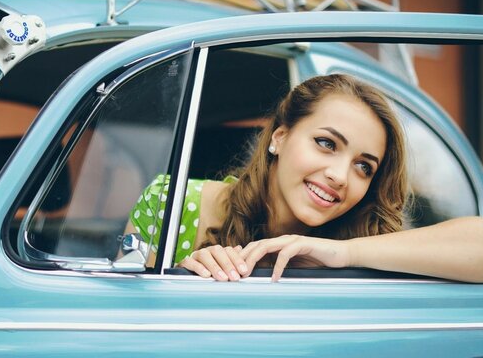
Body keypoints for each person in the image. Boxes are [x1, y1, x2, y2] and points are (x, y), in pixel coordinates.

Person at [127, 73, 483, 283]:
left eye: (364, 167)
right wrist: (184, 278)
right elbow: (125, 327)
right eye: (326, 143)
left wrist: (342, 254)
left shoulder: (364, 239)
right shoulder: (170, 203)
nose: (340, 176)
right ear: (279, 137)